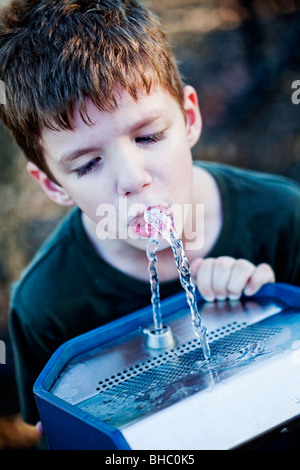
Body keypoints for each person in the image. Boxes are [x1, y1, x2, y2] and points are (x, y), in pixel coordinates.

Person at [0, 0, 299, 435]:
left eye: (149, 136)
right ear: (53, 184)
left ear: (189, 118)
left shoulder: (280, 219)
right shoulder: (47, 305)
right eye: (87, 165)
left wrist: (271, 304)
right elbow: (61, 435)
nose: (133, 179)